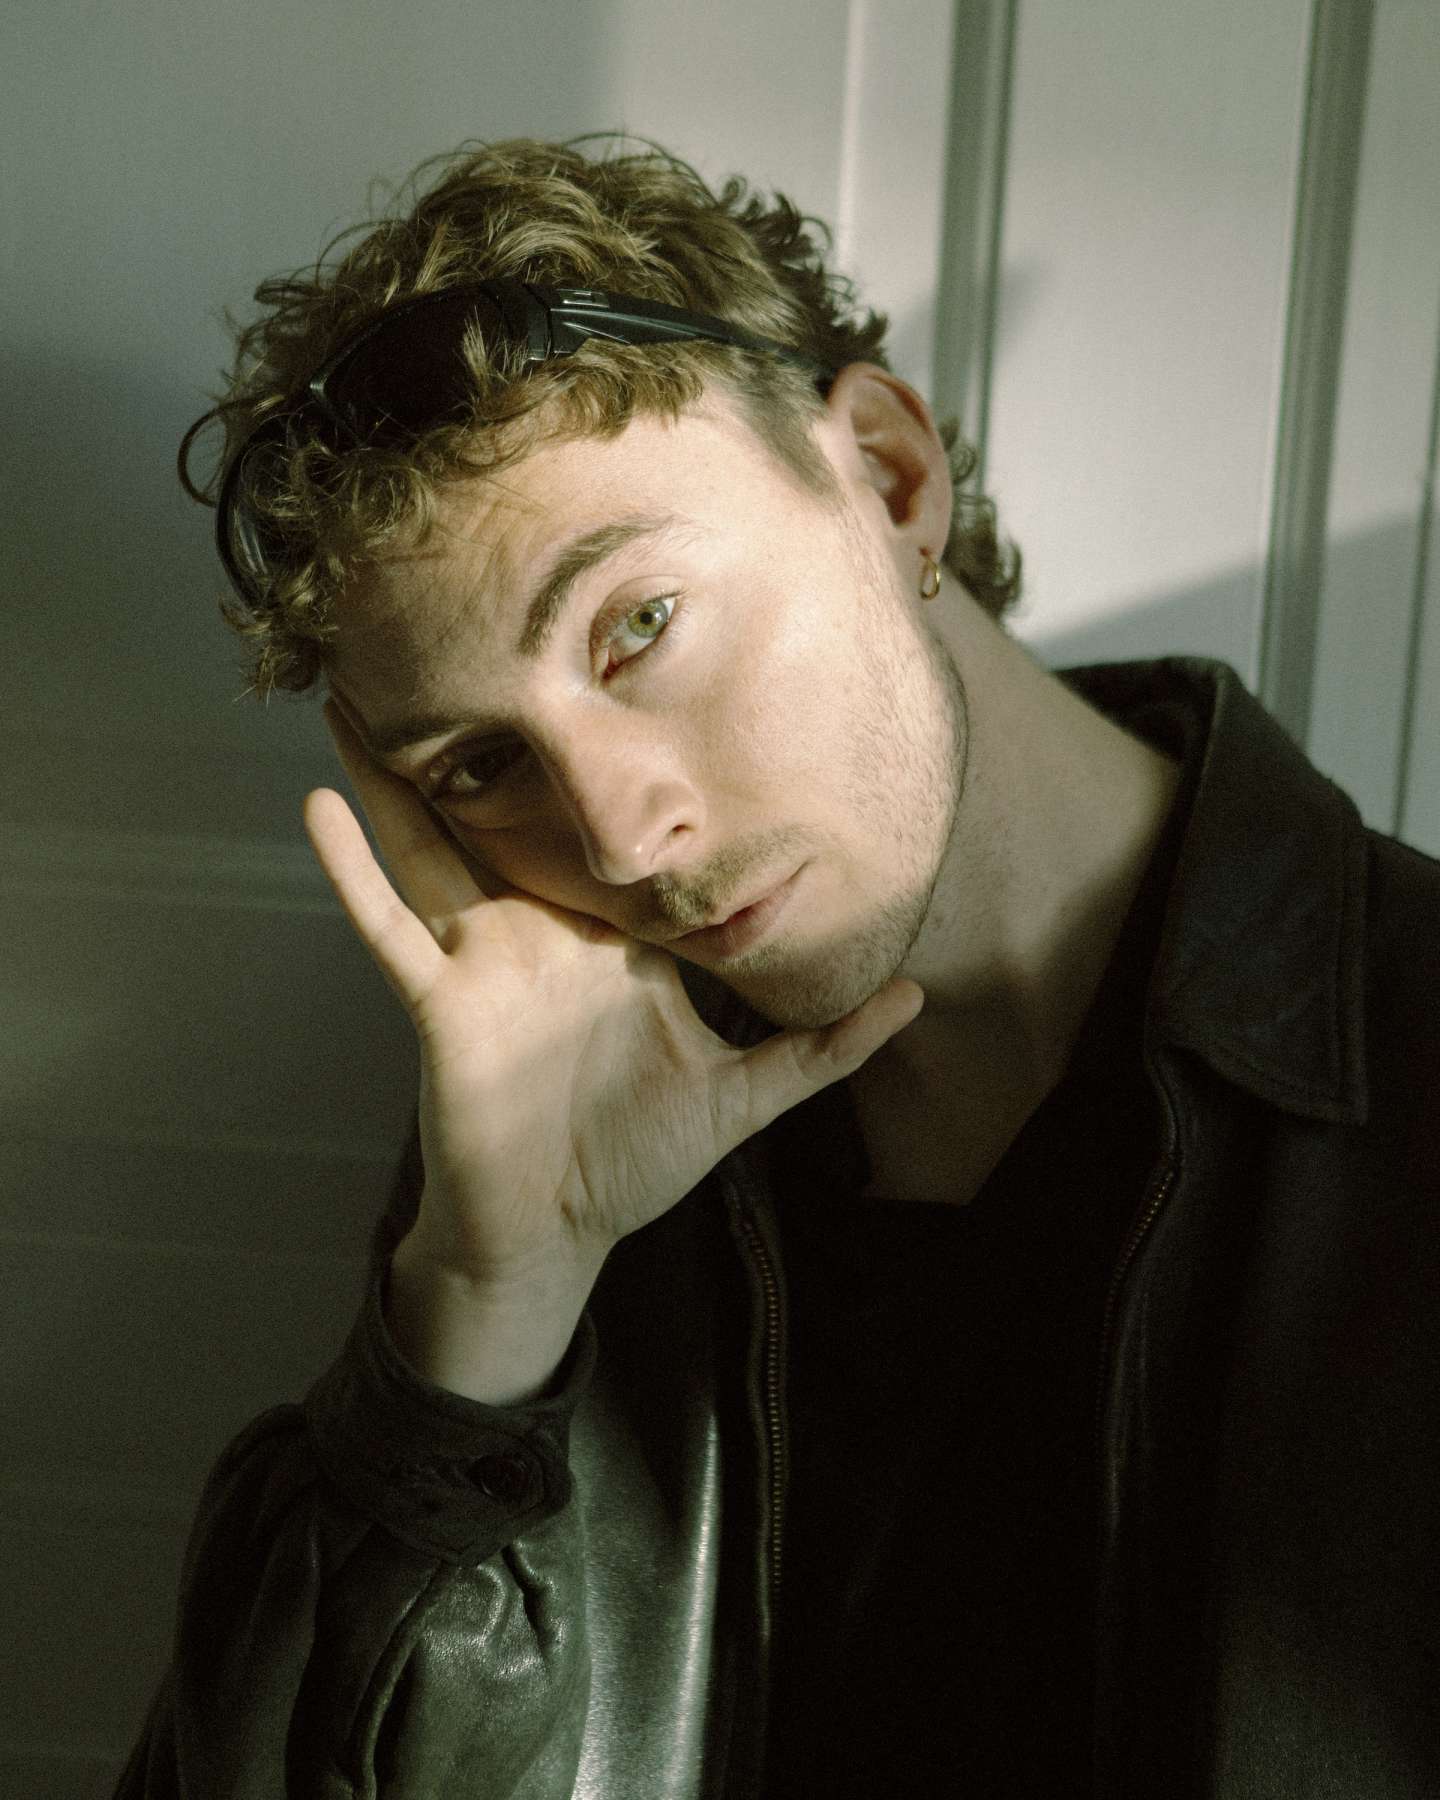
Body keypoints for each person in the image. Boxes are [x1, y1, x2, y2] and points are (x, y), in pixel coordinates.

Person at [116, 133, 1440, 1799]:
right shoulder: (559, 1141)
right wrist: (478, 1320)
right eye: (481, 764)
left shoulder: (1407, 1066)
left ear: (885, 477)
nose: (619, 837)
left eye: (638, 626)